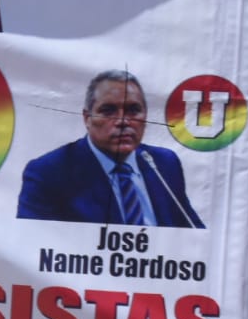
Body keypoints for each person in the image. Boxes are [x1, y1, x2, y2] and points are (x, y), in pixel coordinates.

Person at [18, 70, 204, 228]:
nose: (123, 121)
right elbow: (32, 250)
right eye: (108, 111)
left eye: (133, 110)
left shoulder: (164, 163)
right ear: (87, 118)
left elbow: (193, 233)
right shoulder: (49, 173)